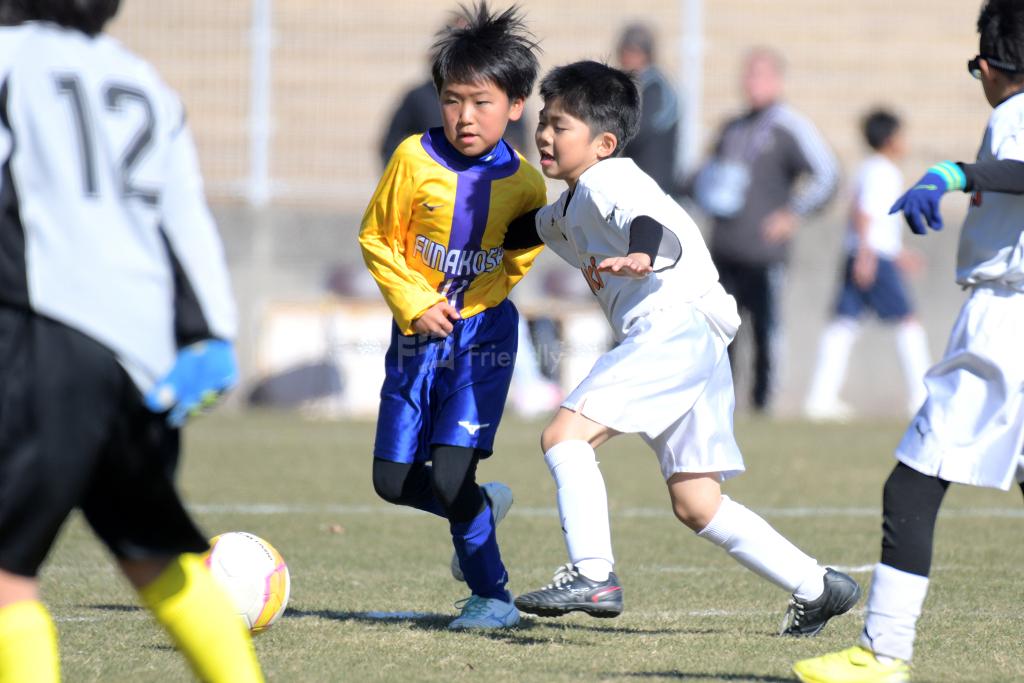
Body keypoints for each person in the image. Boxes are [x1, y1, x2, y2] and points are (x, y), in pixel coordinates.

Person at [502, 60, 859, 637]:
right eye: (544, 120)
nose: (544, 133)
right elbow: (522, 232)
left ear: (604, 143)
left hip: (672, 328)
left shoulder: (609, 179)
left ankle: (594, 574)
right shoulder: (569, 207)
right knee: (697, 503)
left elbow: (649, 221)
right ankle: (817, 586)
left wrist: (642, 254)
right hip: (695, 339)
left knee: (562, 436)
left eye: (560, 124)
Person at [0, 2, 263, 682]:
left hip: (41, 337)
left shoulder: (8, 59)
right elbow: (185, 219)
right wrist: (214, 335)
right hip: (139, 358)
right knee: (157, 558)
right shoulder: (142, 80)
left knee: (5, 577)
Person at [794, 1, 1024, 680]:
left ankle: (882, 652)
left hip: (1005, 319)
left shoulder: (1014, 111)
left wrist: (954, 173)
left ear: (987, 64)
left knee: (912, 486)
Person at [358, 2, 546, 630]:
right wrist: (417, 304)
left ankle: (493, 597)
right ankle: (479, 507)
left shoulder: (525, 184)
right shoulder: (413, 158)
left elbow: (521, 255)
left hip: (482, 336)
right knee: (391, 480)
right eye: (453, 99)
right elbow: (377, 239)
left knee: (449, 474)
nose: (465, 116)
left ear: (515, 105)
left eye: (482, 101)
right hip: (415, 336)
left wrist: (470, 305)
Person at [692, 47, 839, 413]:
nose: (751, 82)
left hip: (764, 252)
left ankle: (763, 403)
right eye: (747, 74)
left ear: (777, 80)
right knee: (721, 329)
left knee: (765, 328)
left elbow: (828, 175)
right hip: (724, 248)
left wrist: (792, 213)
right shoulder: (732, 127)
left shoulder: (790, 127)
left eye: (759, 75)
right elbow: (706, 174)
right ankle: (719, 401)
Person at [804, 110, 931, 421]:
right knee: (907, 322)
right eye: (901, 136)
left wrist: (898, 252)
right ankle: (924, 395)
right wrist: (867, 255)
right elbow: (863, 214)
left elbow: (867, 216)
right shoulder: (883, 171)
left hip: (868, 254)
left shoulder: (868, 169)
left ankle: (820, 398)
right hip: (872, 258)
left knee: (843, 325)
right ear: (890, 140)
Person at [616, 23, 681, 194]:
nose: (622, 60)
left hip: (653, 179)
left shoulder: (655, 87)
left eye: (626, 53)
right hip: (642, 177)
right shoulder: (646, 84)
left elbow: (641, 128)